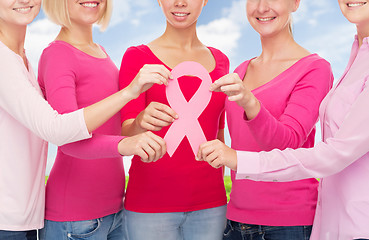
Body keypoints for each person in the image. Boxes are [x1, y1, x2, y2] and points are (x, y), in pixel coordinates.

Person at [198, 0, 369, 239]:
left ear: (296, 3)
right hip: (236, 219)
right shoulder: (239, 71)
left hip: (288, 224)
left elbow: (290, 142)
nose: (262, 7)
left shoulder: (315, 68)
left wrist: (251, 103)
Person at [0, 0, 168, 240]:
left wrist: (138, 125)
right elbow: (63, 134)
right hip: (73, 216)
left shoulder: (27, 60)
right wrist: (129, 95)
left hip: (110, 208)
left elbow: (107, 128)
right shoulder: (54, 54)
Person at [119, 0, 229, 239]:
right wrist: (140, 122)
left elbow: (219, 135)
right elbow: (125, 134)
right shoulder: (137, 57)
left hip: (210, 204)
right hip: (149, 206)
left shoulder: (221, 61)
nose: (180, 2)